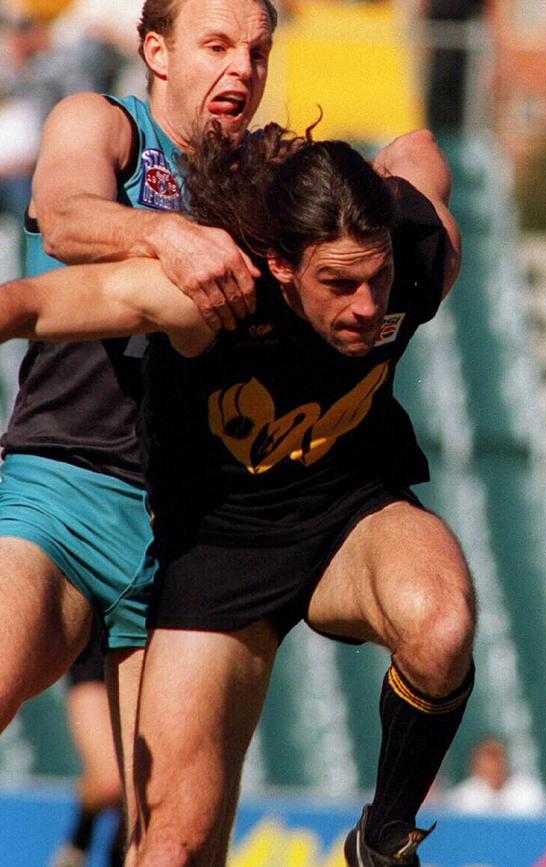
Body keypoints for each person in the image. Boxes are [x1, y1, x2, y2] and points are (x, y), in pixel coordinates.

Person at [0, 123, 475, 867]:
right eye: (338, 284)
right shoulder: (214, 294)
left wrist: (398, 166)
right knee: (174, 849)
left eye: (374, 278)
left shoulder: (416, 257)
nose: (363, 304)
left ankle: (383, 840)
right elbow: (28, 307)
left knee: (443, 625)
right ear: (282, 263)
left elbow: (421, 148)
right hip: (218, 557)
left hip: (352, 514)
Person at [0, 0, 277, 846]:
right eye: (219, 44)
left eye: (259, 51)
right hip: (66, 481)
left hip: (198, 527)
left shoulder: (270, 184)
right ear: (156, 49)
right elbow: (66, 211)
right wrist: (170, 234)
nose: (242, 68)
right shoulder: (105, 122)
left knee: (179, 841)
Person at [50, 640, 125, 867]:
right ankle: (81, 835)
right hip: (98, 645)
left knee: (143, 792)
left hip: (163, 644)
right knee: (111, 782)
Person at [446, 735, 546, 816]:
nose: (497, 762)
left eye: (501, 755)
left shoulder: (528, 790)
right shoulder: (463, 798)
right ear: (475, 763)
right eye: (491, 756)